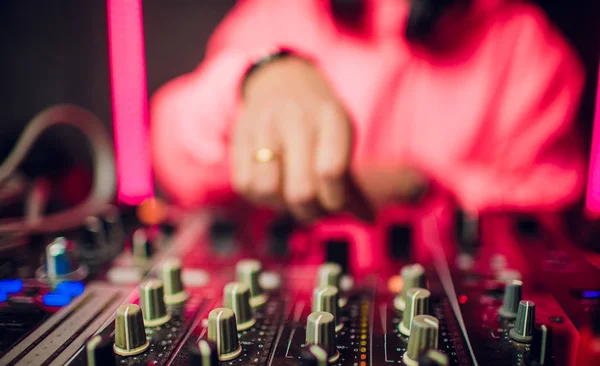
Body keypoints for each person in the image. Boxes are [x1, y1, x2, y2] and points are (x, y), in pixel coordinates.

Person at [150, 0, 585, 223]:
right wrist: (258, 73)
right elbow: (174, 152)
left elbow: (553, 196)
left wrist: (426, 185)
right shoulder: (282, 10)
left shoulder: (526, 45)